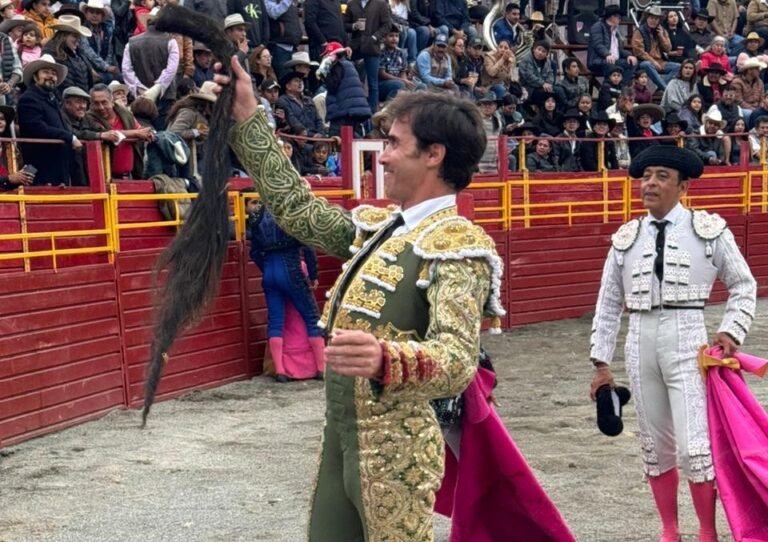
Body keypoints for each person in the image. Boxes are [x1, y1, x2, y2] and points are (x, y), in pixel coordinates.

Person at [221, 56, 510, 542]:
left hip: (399, 445)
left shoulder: (460, 245)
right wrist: (250, 117)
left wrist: (385, 357)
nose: (384, 155)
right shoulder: (380, 228)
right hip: (341, 436)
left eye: (395, 144)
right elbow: (296, 209)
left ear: (434, 154)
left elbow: (458, 361)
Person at [589, 145, 756, 542]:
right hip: (639, 339)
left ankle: (706, 531)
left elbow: (743, 285)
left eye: (662, 176)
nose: (650, 183)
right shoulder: (626, 237)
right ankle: (669, 530)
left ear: (682, 186)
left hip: (687, 334)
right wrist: (601, 363)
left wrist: (732, 330)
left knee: (694, 446)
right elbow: (609, 302)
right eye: (647, 177)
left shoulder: (709, 230)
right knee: (654, 443)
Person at [248, 197, 325, 382]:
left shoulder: (257, 215)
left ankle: (281, 371)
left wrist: (265, 267)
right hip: (291, 269)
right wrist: (313, 275)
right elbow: (307, 248)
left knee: (276, 321)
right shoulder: (292, 214)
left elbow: (254, 252)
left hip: (269, 272)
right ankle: (322, 369)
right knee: (312, 318)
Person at [17, 54, 81, 186]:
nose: (51, 76)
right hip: (42, 165)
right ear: (35, 76)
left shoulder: (51, 99)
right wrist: (70, 137)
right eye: (46, 72)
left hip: (58, 164)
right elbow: (36, 128)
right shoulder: (29, 99)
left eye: (53, 73)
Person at [86, 83, 154, 179]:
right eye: (96, 103)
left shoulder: (125, 113)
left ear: (112, 101)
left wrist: (147, 133)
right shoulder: (88, 118)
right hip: (104, 177)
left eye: (104, 102)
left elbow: (140, 129)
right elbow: (107, 134)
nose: (101, 107)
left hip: (130, 175)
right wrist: (135, 133)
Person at [631, 6, 679, 91]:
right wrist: (653, 61)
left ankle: (659, 88)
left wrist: (661, 36)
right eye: (652, 18)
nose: (653, 21)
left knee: (679, 67)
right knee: (647, 64)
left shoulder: (662, 30)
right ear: (647, 18)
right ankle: (665, 89)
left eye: (656, 19)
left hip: (660, 61)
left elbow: (668, 49)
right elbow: (639, 51)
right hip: (644, 62)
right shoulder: (640, 31)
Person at [587, 5, 638, 79]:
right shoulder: (598, 27)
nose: (620, 20)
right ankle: (609, 88)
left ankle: (621, 86)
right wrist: (607, 54)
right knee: (610, 64)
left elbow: (619, 50)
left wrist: (628, 55)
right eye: (619, 18)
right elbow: (598, 45)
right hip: (598, 60)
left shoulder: (615, 32)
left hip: (614, 60)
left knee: (632, 63)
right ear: (612, 17)